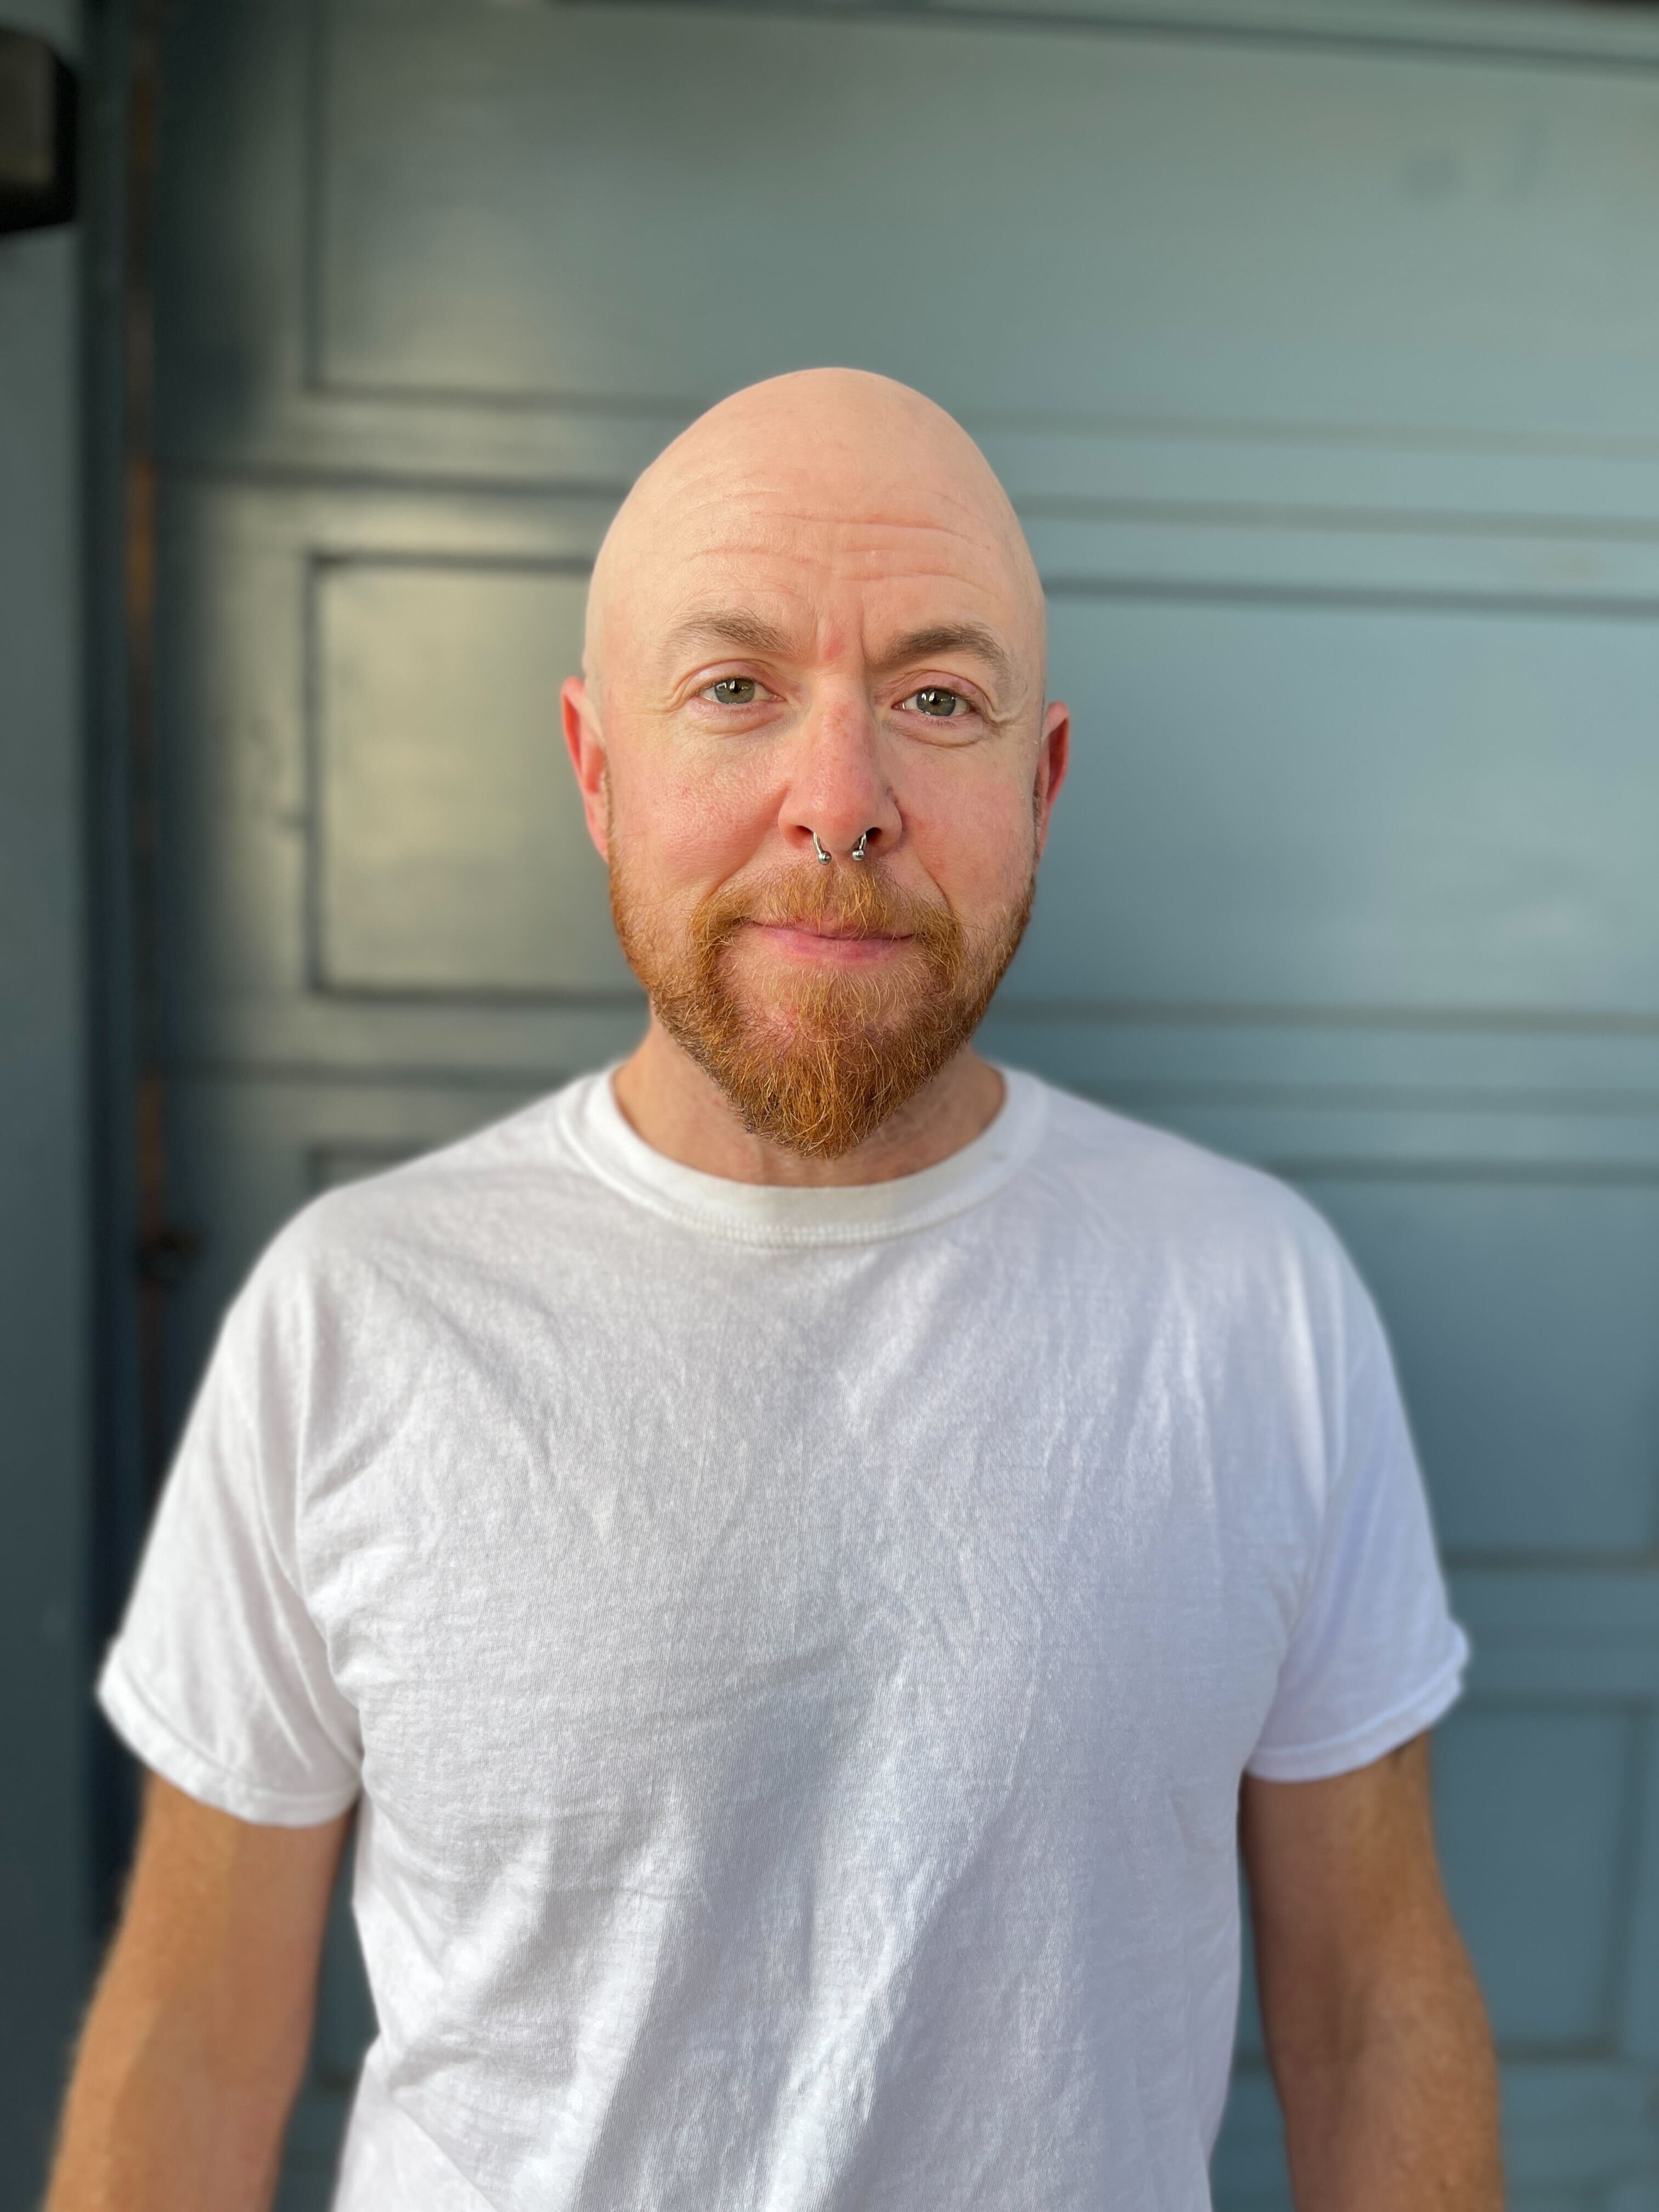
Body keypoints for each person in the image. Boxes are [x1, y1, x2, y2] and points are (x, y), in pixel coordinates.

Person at [48, 369, 1501, 2211]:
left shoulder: (1257, 1306)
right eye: (735, 689)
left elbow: (1371, 2007)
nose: (842, 803)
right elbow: (195, 2036)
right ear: (595, 765)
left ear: (1039, 782)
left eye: (938, 700)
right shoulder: (355, 1315)